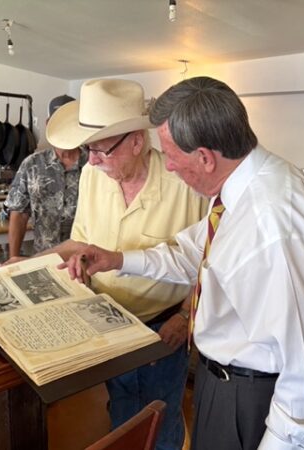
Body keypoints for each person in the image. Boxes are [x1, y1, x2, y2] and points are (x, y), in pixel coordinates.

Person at [62, 76, 304, 450]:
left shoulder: (272, 223)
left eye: (172, 157)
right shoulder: (238, 188)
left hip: (254, 394)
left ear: (205, 157)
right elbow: (192, 253)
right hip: (224, 380)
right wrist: (117, 260)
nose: (169, 168)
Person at [32, 79, 208, 450]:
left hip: (163, 327)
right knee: (123, 413)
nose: (91, 161)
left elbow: (208, 259)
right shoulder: (94, 177)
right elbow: (80, 241)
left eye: (100, 150)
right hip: (107, 322)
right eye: (88, 150)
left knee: (162, 417)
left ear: (137, 141)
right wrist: (26, 264)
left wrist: (185, 316)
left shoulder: (185, 183)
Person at [2, 94, 87, 261]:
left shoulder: (95, 163)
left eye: (71, 121)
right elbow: (19, 213)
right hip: (44, 258)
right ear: (48, 124)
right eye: (59, 122)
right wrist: (14, 258)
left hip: (86, 260)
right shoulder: (32, 164)